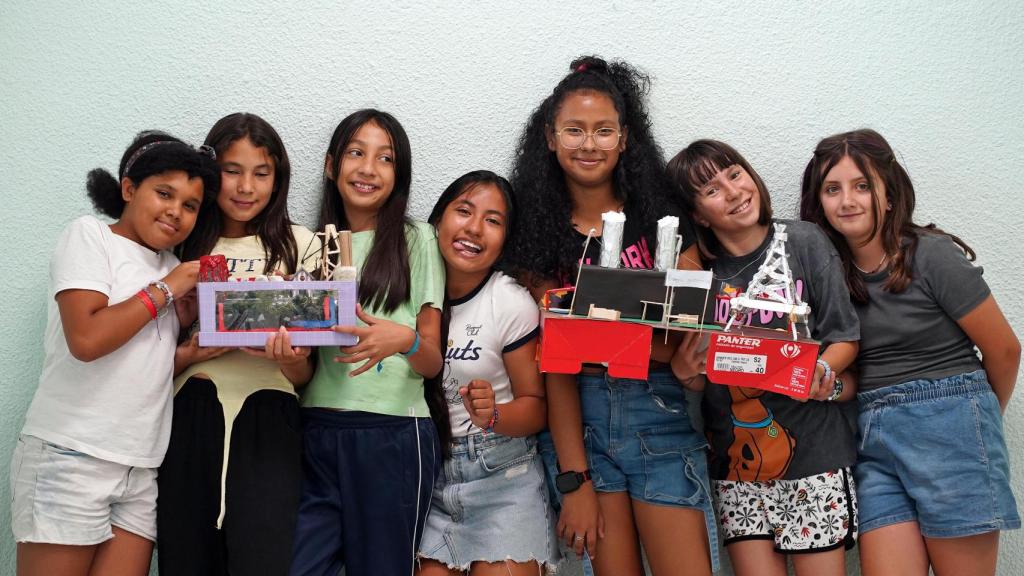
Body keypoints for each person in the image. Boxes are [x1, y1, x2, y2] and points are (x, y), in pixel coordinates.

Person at [502, 56, 716, 576]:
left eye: (603, 130)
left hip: (658, 414)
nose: (589, 144)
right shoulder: (533, 231)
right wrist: (574, 478)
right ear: (550, 138)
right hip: (578, 423)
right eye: (574, 130)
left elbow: (685, 334)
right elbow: (557, 360)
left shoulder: (663, 217)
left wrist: (599, 338)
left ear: (624, 139)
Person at [799, 128, 1020, 576]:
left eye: (862, 186)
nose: (848, 201)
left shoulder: (931, 255)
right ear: (818, 203)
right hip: (874, 439)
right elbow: (860, 376)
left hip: (953, 431)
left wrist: (975, 420)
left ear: (889, 194)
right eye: (832, 189)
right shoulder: (830, 278)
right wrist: (828, 386)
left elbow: (1005, 349)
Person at [10, 131, 218, 576]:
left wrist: (187, 352)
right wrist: (167, 290)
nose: (176, 211)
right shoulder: (90, 237)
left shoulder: (169, 267)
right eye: (164, 193)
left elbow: (141, 366)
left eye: (190, 205)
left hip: (140, 469)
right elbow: (86, 340)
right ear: (128, 188)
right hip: (70, 453)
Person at [667, 139, 860, 576]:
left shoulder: (804, 241)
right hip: (735, 468)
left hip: (816, 459)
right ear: (698, 214)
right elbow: (699, 375)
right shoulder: (696, 274)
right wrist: (683, 373)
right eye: (712, 190)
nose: (733, 191)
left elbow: (846, 337)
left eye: (735, 174)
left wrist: (823, 370)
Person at [158, 112, 321, 575]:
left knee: (262, 560)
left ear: (278, 178)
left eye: (261, 173)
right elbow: (147, 359)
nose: (246, 187)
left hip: (271, 417)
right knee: (185, 560)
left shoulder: (302, 245)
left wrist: (291, 359)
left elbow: (307, 372)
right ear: (212, 174)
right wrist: (190, 353)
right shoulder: (183, 244)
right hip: (190, 412)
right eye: (232, 171)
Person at [289, 109, 445, 576]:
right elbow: (303, 367)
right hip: (315, 428)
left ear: (399, 175)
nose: (368, 169)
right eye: (356, 153)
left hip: (393, 433)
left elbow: (432, 361)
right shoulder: (308, 246)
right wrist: (286, 358)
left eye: (385, 158)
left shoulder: (417, 239)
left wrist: (405, 340)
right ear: (330, 164)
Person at [416, 170, 559, 575]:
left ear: (506, 238)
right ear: (438, 221)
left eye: (493, 220)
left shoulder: (508, 300)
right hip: (429, 476)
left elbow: (537, 406)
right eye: (464, 211)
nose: (475, 228)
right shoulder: (410, 291)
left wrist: (493, 414)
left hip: (503, 476)